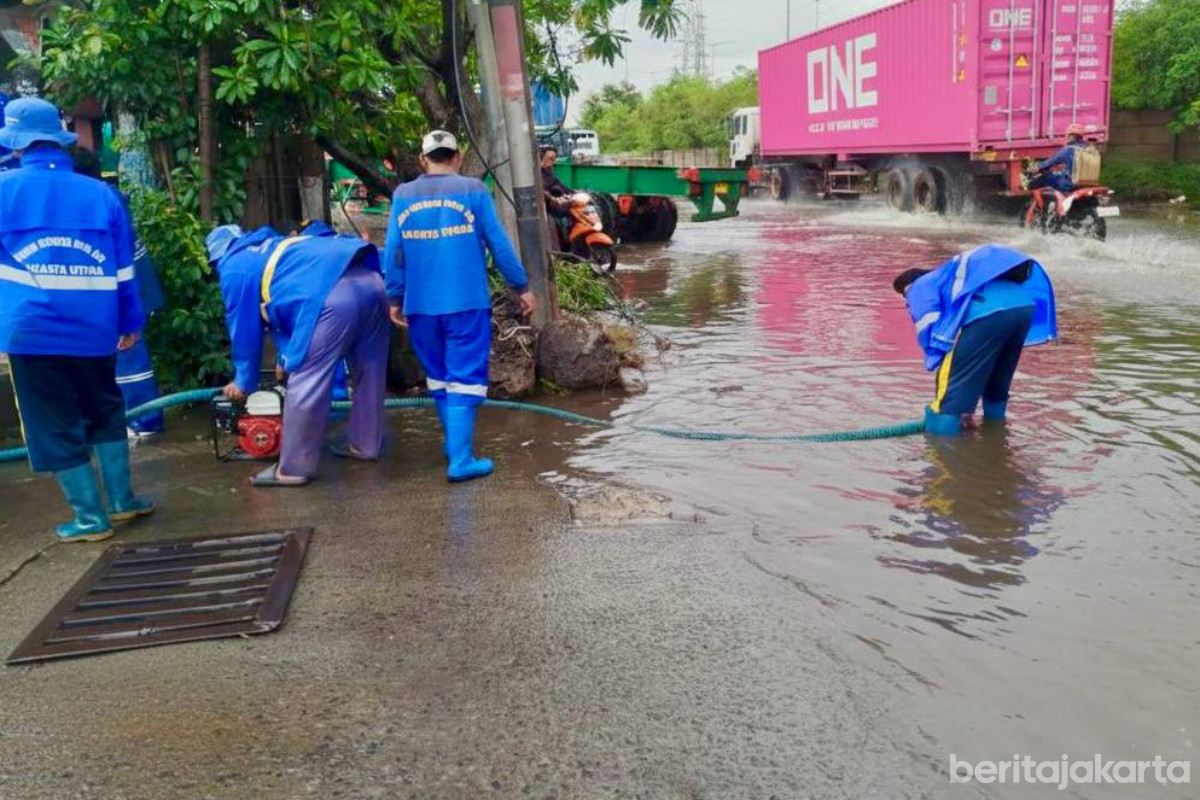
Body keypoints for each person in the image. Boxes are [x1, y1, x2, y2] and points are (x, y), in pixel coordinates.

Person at [0, 98, 152, 542]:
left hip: (31, 331)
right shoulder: (101, 194)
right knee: (104, 406)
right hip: (95, 325)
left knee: (52, 420)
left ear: (16, 143)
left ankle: (89, 518)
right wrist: (130, 322)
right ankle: (122, 502)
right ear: (60, 139)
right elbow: (125, 270)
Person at [382, 130, 536, 482]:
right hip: (466, 302)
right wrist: (521, 286)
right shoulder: (473, 190)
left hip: (420, 306)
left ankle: (454, 445)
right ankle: (461, 460)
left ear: (423, 159)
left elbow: (394, 252)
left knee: (438, 376)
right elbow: (498, 243)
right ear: (458, 156)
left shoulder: (403, 195)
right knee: (464, 377)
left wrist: (394, 296)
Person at [206, 221, 390, 487]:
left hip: (333, 296)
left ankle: (293, 469)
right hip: (372, 284)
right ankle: (365, 445)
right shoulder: (274, 246)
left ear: (217, 257)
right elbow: (291, 304)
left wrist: (244, 381)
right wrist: (285, 357)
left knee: (307, 378)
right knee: (370, 371)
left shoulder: (234, 267)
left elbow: (244, 329)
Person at [893, 245, 1057, 436]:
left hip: (988, 312)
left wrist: (936, 360)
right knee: (998, 378)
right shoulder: (956, 280)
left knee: (950, 394)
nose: (906, 302)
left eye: (904, 296)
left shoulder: (918, 287)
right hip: (1024, 306)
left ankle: (942, 446)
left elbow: (928, 330)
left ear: (907, 287)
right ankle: (995, 435)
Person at [72, 147, 167, 437]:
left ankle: (145, 420)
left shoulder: (101, 198)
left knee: (129, 354)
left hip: (125, 288)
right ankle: (133, 418)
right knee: (122, 354)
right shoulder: (102, 195)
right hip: (126, 286)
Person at [1028, 123, 1087, 194]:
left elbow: (1050, 162)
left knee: (1043, 179)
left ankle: (1030, 198)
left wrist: (1037, 167)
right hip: (1086, 184)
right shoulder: (1088, 149)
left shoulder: (1069, 149)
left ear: (1071, 137)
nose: (1066, 138)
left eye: (1067, 136)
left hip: (1069, 184)